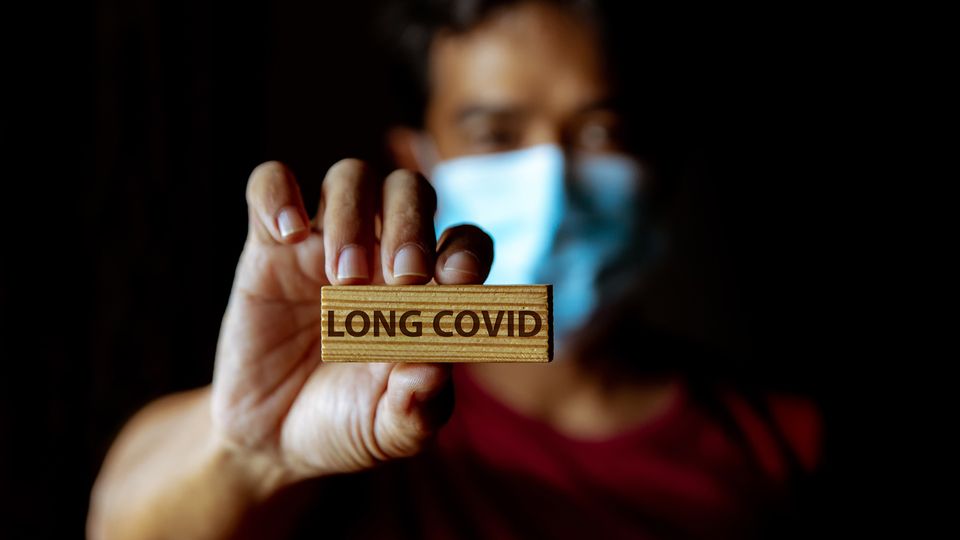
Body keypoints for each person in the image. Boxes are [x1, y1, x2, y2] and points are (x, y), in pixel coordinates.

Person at [88, 1, 822, 538]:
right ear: (419, 158)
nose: (555, 186)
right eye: (497, 134)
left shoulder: (787, 445)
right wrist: (248, 448)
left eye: (602, 131)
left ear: (660, 162)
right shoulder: (358, 396)